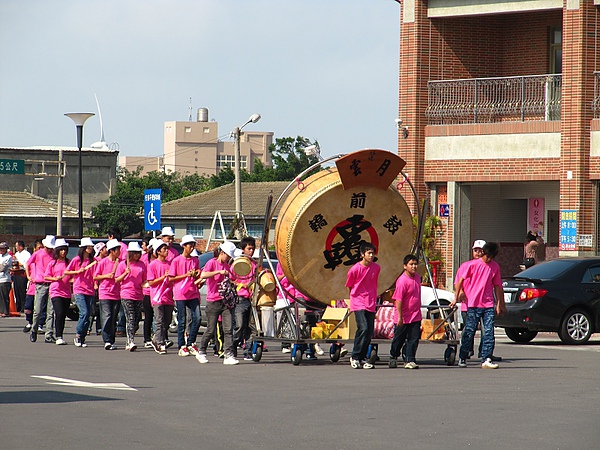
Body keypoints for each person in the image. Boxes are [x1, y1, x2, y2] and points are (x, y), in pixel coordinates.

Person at [451, 242, 507, 369]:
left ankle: (486, 358)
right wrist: (456, 297)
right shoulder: (472, 265)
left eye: (491, 257)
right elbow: (460, 281)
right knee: (469, 331)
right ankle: (463, 356)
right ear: (483, 253)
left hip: (488, 304)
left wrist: (499, 303)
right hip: (473, 304)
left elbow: (497, 286)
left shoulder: (495, 267)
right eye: (487, 256)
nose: (489, 259)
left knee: (488, 331)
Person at [196, 241, 239, 365]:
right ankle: (202, 351)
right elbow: (203, 274)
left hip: (226, 301)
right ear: (222, 253)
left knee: (228, 329)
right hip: (213, 301)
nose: (229, 258)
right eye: (228, 255)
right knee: (210, 329)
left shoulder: (227, 266)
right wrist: (218, 272)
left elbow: (233, 279)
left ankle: (228, 354)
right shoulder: (212, 263)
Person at [345, 242, 381, 369]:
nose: (371, 255)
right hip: (358, 301)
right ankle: (355, 356)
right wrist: (353, 300)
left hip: (370, 302)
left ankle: (362, 357)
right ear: (362, 254)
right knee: (363, 327)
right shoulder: (355, 269)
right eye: (368, 253)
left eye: (372, 253)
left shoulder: (376, 268)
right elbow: (350, 286)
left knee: (369, 331)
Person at [169, 234, 201, 357]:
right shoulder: (176, 260)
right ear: (183, 246)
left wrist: (196, 273)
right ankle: (181, 345)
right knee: (182, 320)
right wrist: (186, 275)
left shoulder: (195, 260)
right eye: (189, 246)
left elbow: (198, 273)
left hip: (192, 292)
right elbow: (171, 278)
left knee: (197, 318)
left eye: (193, 246)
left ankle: (191, 342)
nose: (192, 248)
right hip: (180, 293)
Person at [389, 254, 422, 369]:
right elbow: (398, 300)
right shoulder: (402, 281)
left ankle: (409, 359)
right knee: (399, 339)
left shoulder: (417, 277)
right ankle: (393, 356)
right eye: (411, 264)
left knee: (414, 338)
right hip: (403, 316)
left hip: (416, 315)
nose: (414, 266)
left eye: (415, 264)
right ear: (405, 266)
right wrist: (399, 317)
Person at [64, 237, 96, 347]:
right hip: (79, 289)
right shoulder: (77, 260)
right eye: (88, 247)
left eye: (91, 247)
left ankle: (82, 336)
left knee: (89, 315)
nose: (90, 249)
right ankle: (78, 335)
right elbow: (67, 271)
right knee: (84, 312)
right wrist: (78, 271)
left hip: (90, 290)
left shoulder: (93, 261)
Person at [115, 241, 147, 352]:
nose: (137, 255)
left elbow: (144, 280)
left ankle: (130, 339)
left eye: (139, 253)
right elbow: (117, 279)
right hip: (126, 293)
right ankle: (130, 340)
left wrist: (147, 285)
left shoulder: (142, 264)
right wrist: (125, 273)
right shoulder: (123, 264)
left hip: (138, 294)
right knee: (131, 317)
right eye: (135, 253)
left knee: (136, 319)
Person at [231, 237, 257, 360]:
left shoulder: (255, 264)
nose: (251, 251)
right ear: (243, 249)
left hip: (252, 300)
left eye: (253, 248)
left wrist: (252, 283)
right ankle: (233, 348)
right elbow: (231, 279)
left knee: (251, 328)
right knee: (239, 326)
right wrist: (240, 284)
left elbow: (258, 278)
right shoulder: (237, 263)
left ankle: (248, 351)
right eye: (249, 248)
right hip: (240, 299)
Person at [93, 239, 122, 350]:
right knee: (107, 316)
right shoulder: (103, 262)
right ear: (112, 251)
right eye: (117, 250)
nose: (119, 251)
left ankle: (112, 339)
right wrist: (106, 276)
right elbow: (96, 276)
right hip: (105, 293)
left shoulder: (120, 263)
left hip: (116, 293)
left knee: (114, 317)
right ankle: (107, 340)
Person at [27, 235, 56, 343]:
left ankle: (49, 334)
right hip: (40, 283)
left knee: (51, 311)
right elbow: (28, 263)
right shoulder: (38, 253)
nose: (49, 249)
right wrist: (29, 276)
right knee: (37, 310)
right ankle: (34, 330)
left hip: (52, 283)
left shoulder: (54, 255)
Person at [147, 240, 174, 355]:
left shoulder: (170, 264)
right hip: (157, 297)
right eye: (164, 249)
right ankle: (159, 342)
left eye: (167, 249)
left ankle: (157, 338)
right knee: (159, 320)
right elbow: (151, 282)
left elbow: (172, 280)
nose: (167, 251)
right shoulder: (152, 265)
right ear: (158, 252)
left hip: (168, 296)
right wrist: (163, 277)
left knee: (167, 321)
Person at [43, 238, 71, 345]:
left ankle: (60, 334)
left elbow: (72, 275)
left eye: (65, 250)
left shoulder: (69, 262)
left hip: (66, 291)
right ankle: (58, 336)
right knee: (58, 313)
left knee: (63, 314)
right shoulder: (52, 263)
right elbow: (46, 277)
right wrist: (55, 278)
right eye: (61, 250)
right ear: (57, 250)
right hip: (56, 291)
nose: (63, 252)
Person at [22, 239, 42, 333]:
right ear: (34, 249)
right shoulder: (32, 260)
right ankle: (30, 322)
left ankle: (40, 325)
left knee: (40, 308)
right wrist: (28, 276)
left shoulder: (44, 260)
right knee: (28, 307)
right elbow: (27, 265)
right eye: (39, 248)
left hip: (41, 286)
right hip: (32, 287)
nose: (41, 250)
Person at [140, 238, 156, 348]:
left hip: (158, 291)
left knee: (160, 317)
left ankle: (158, 337)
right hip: (147, 291)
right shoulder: (144, 259)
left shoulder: (163, 260)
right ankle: (147, 338)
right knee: (149, 315)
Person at [11, 240, 30, 312]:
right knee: (17, 291)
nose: (16, 248)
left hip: (22, 273)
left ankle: (23, 306)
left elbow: (26, 264)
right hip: (16, 273)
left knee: (22, 291)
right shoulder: (17, 254)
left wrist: (18, 263)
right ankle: (18, 306)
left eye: (17, 246)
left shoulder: (26, 254)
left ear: (21, 246)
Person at [0, 241, 13, 317]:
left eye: (2, 249)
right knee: (0, 296)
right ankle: (1, 310)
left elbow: (3, 268)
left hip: (5, 279)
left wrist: (1, 266)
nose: (1, 250)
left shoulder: (8, 257)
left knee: (4, 296)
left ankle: (6, 311)